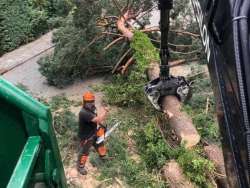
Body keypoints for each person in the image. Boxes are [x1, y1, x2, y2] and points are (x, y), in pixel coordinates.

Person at [77, 91, 109, 175]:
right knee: (85, 152)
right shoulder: (83, 112)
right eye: (88, 102)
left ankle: (103, 157)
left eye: (92, 101)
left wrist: (101, 126)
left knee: (100, 144)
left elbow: (96, 120)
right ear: (84, 102)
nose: (90, 103)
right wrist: (105, 112)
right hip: (86, 136)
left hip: (94, 132)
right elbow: (98, 119)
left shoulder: (93, 108)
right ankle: (80, 167)